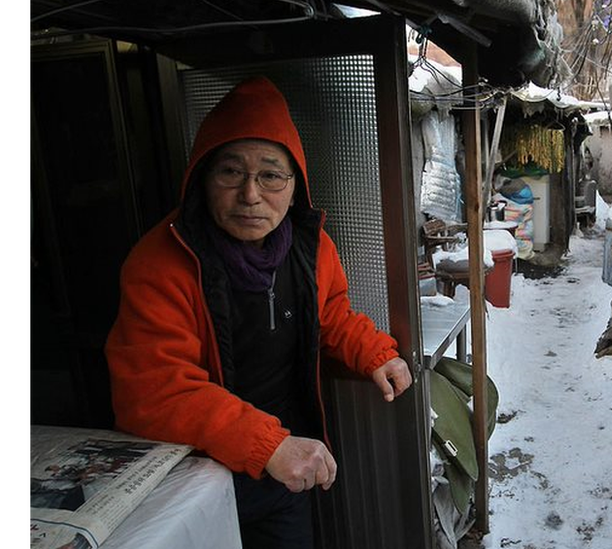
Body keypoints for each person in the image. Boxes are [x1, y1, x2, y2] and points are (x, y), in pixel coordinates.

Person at [105, 76, 412, 548]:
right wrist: (266, 445)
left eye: (270, 175)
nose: (251, 194)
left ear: (294, 186)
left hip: (284, 466)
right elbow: (154, 389)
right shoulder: (160, 262)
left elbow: (330, 312)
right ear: (202, 179)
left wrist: (375, 353)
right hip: (201, 477)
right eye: (231, 172)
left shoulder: (312, 247)